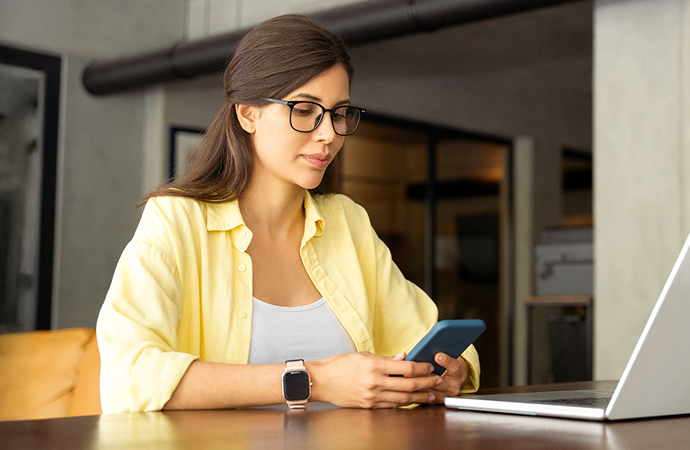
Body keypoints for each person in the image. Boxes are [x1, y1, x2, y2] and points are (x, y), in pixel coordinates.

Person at [96, 14, 480, 413]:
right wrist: (315, 380)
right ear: (248, 113)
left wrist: (454, 370)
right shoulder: (177, 220)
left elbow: (427, 336)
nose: (328, 133)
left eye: (339, 112)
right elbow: (131, 377)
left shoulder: (346, 221)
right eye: (304, 109)